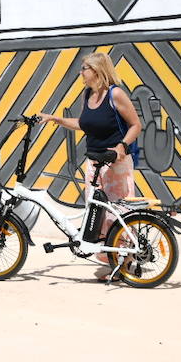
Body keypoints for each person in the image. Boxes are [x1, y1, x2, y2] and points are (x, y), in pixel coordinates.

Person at [35, 51, 141, 280]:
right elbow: (83, 124)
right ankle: (110, 260)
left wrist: (121, 146)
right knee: (98, 214)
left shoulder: (116, 94)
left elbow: (135, 125)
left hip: (116, 163)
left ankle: (125, 260)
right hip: (93, 162)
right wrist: (55, 119)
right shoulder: (88, 95)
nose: (81, 72)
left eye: (85, 68)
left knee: (118, 213)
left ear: (97, 70)